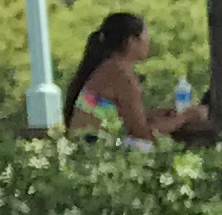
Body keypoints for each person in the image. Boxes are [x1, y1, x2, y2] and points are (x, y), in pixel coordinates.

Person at [65, 12, 208, 145]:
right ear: (132, 40)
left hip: (85, 153)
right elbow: (142, 134)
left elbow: (127, 120)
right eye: (146, 37)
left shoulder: (108, 68)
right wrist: (186, 117)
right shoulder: (121, 75)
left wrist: (153, 116)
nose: (148, 44)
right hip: (96, 157)